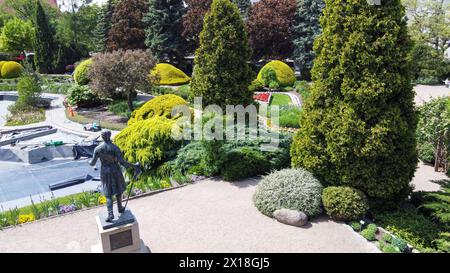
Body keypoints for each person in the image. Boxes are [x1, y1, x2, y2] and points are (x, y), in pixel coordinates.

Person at [89, 129, 141, 222]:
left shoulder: (98, 149)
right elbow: (122, 162)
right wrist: (134, 165)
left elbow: (92, 163)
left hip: (105, 171)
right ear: (110, 136)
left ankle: (111, 214)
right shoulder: (115, 148)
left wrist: (89, 161)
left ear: (102, 137)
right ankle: (120, 207)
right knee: (118, 190)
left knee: (108, 194)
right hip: (115, 170)